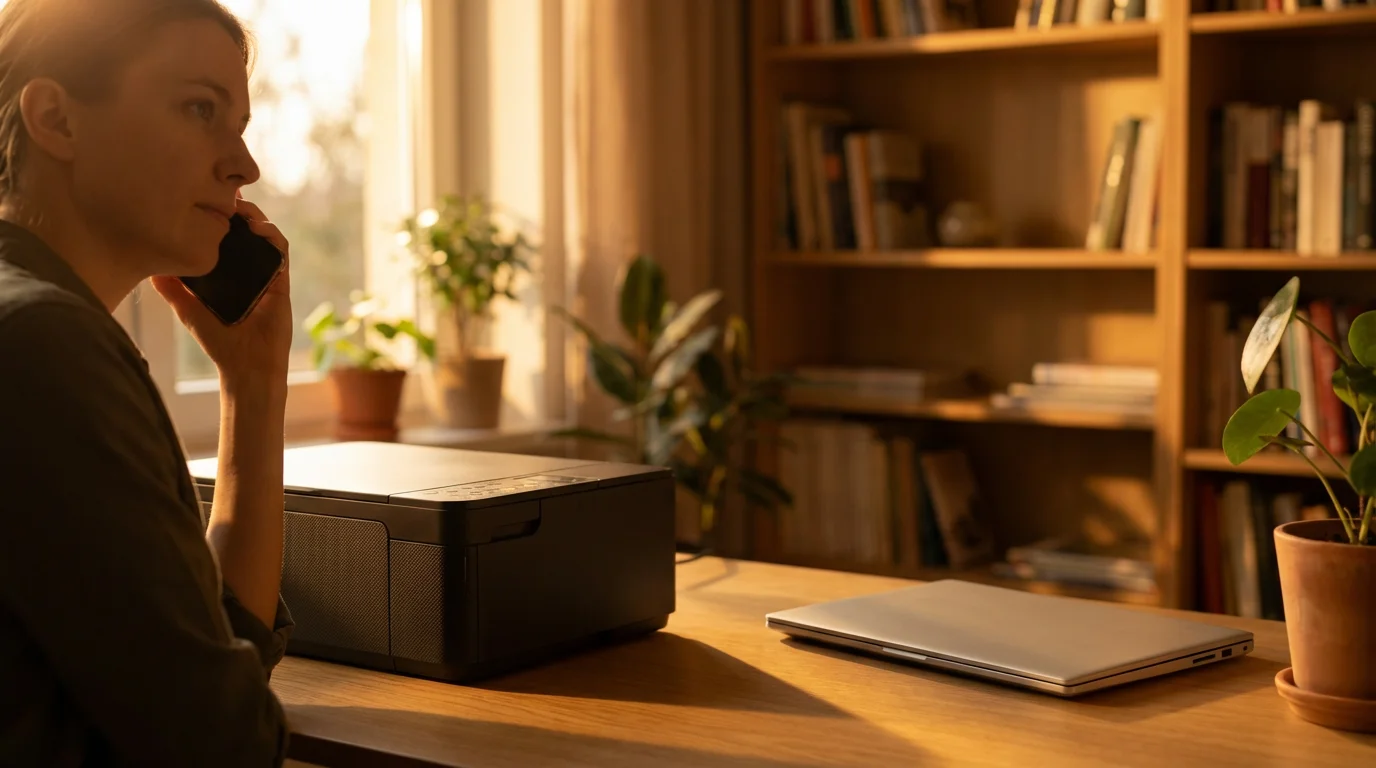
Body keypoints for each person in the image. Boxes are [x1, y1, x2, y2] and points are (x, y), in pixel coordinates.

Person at [0, 1, 294, 765]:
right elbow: (223, 745)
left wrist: (254, 387)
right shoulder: (42, 345)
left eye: (240, 126)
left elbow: (215, 662)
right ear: (56, 119)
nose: (244, 166)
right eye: (200, 110)